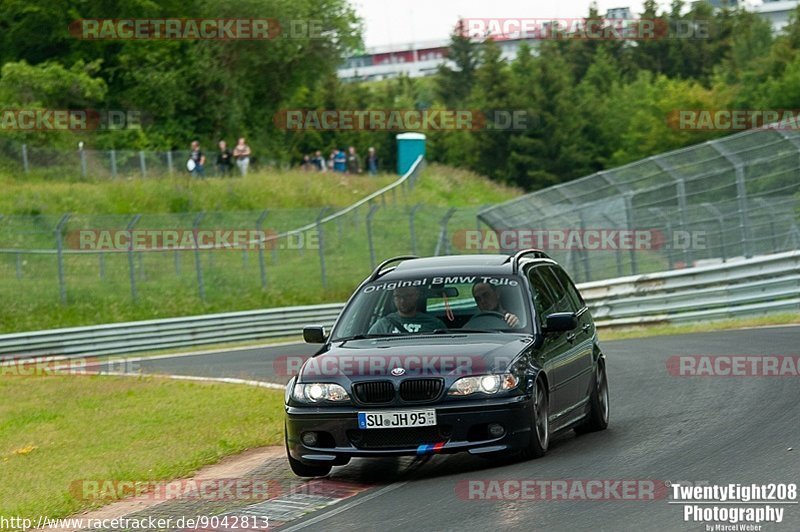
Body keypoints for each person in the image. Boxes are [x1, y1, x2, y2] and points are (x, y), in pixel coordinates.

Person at [368, 286, 446, 334]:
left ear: (416, 296)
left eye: (407, 296)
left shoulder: (434, 324)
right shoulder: (382, 325)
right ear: (393, 298)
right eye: (398, 296)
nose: (402, 300)